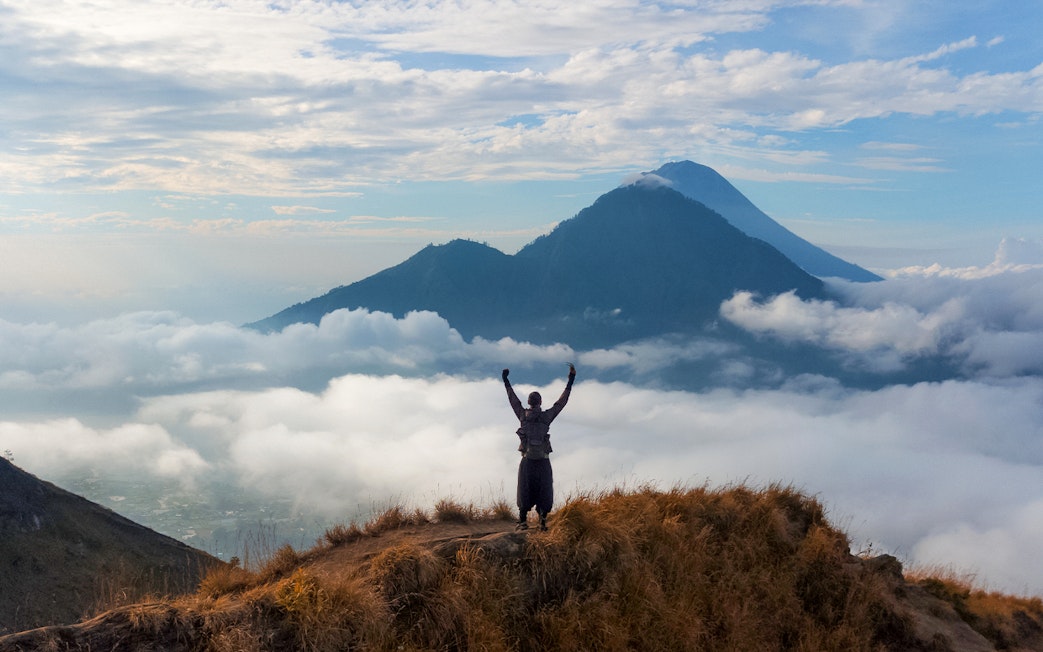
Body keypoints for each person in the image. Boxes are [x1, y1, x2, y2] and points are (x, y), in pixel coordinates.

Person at [502, 363, 576, 531]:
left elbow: (512, 399)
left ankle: (522, 522)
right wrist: (570, 381)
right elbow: (561, 403)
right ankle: (542, 523)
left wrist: (506, 381)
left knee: (525, 489)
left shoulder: (522, 416)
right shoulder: (546, 417)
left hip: (527, 460)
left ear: (528, 402)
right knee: (544, 489)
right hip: (543, 461)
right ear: (540, 402)